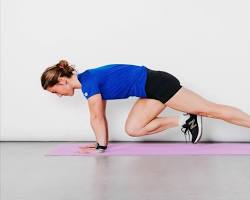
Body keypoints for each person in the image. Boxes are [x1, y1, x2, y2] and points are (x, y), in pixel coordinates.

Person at [41, 60, 250, 153]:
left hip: (158, 83)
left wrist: (100, 148)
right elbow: (99, 115)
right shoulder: (89, 82)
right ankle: (186, 120)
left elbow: (96, 118)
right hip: (148, 90)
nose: (58, 96)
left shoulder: (89, 83)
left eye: (55, 91)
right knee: (133, 129)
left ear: (61, 81)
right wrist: (100, 145)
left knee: (210, 109)